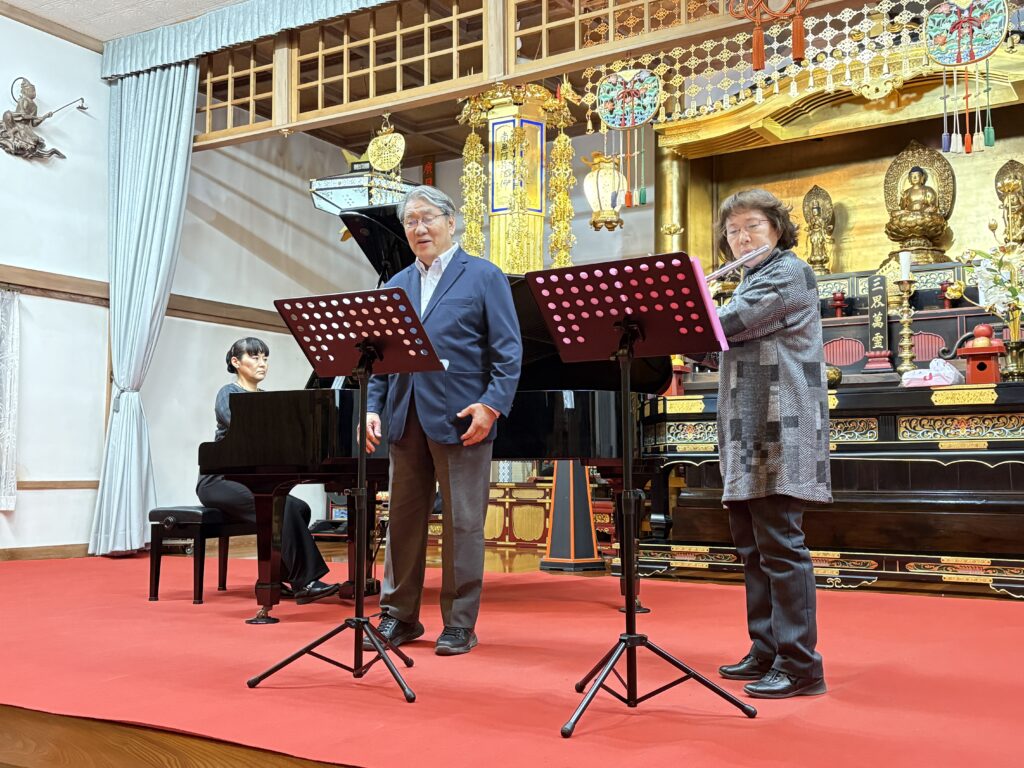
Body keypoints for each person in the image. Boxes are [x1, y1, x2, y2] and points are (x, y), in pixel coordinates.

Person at [364, 185, 522, 656]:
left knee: (463, 523)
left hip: (462, 417)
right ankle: (399, 616)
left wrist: (491, 405)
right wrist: (372, 407)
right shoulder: (395, 284)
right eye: (410, 221)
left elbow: (509, 351)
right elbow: (380, 357)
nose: (419, 228)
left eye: (427, 218)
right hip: (404, 415)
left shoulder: (484, 276)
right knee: (402, 521)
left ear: (451, 222)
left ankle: (459, 623)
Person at [711, 189, 831, 699]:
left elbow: (727, 325)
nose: (742, 238)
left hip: (783, 424)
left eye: (753, 226)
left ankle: (801, 665)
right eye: (733, 231)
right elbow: (714, 344)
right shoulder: (749, 279)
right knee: (752, 549)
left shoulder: (787, 273)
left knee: (781, 547)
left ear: (777, 229)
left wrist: (683, 309)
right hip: (748, 426)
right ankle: (766, 650)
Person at [196, 337, 339, 605]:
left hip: (250, 480)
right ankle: (306, 582)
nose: (262, 363)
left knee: (300, 508)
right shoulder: (228, 393)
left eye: (265, 358)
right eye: (254, 357)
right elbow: (247, 431)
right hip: (220, 481)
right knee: (281, 506)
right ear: (236, 362)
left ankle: (277, 578)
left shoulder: (267, 398)